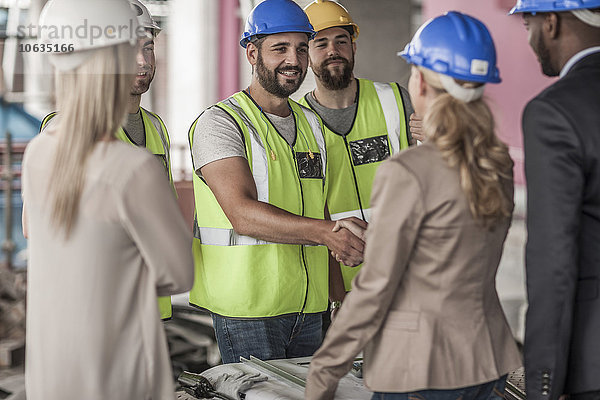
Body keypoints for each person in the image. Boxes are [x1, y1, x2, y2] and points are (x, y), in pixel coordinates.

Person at [305, 11, 521, 400]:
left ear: (419, 79)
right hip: (488, 358)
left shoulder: (409, 171)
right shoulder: (496, 160)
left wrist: (323, 371)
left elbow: (375, 290)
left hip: (422, 369)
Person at [21, 0, 193, 398]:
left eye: (148, 44)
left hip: (54, 359)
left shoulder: (39, 151)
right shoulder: (131, 169)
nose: (142, 58)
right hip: (118, 359)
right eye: (132, 45)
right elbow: (178, 274)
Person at [188, 0, 366, 364]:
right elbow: (243, 215)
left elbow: (323, 210)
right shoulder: (221, 123)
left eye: (302, 48)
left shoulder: (312, 123)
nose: (294, 60)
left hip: (310, 307)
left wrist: (338, 296)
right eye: (280, 49)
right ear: (252, 53)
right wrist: (327, 233)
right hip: (249, 309)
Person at [38, 0, 175, 320]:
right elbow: (39, 227)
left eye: (148, 47)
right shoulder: (65, 128)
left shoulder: (156, 127)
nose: (142, 61)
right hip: (100, 309)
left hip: (151, 305)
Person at [509, 1, 600, 399]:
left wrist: (543, 383)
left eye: (527, 24)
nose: (529, 38)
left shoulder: (555, 111)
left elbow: (553, 260)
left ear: (550, 22)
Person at [298, 0, 414, 298]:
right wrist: (335, 299)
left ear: (354, 47)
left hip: (405, 273)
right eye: (320, 43)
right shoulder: (296, 123)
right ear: (306, 55)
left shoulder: (396, 101)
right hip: (335, 282)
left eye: (341, 41)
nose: (333, 50)